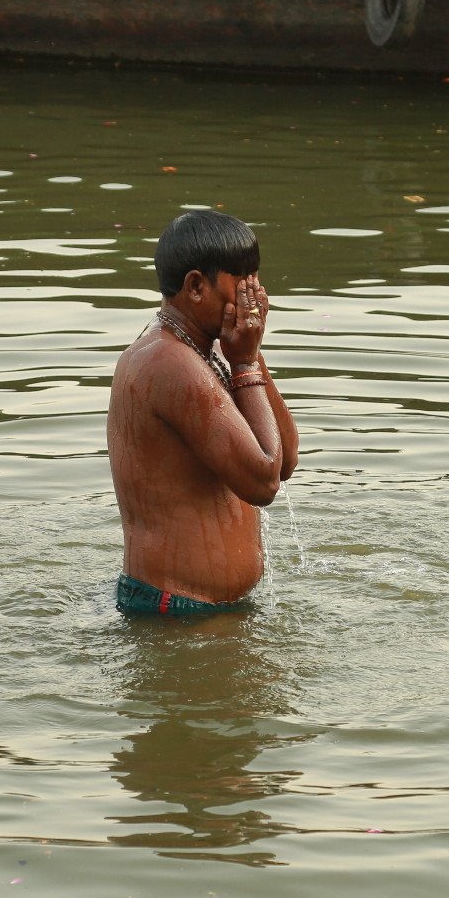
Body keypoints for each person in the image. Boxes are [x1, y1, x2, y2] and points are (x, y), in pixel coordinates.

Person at [108, 211, 297, 617]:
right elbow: (264, 481)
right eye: (243, 281)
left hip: (202, 611)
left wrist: (250, 355)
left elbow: (286, 461)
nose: (255, 294)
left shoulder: (208, 348)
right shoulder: (166, 361)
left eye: (256, 280)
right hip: (177, 611)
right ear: (196, 287)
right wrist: (244, 363)